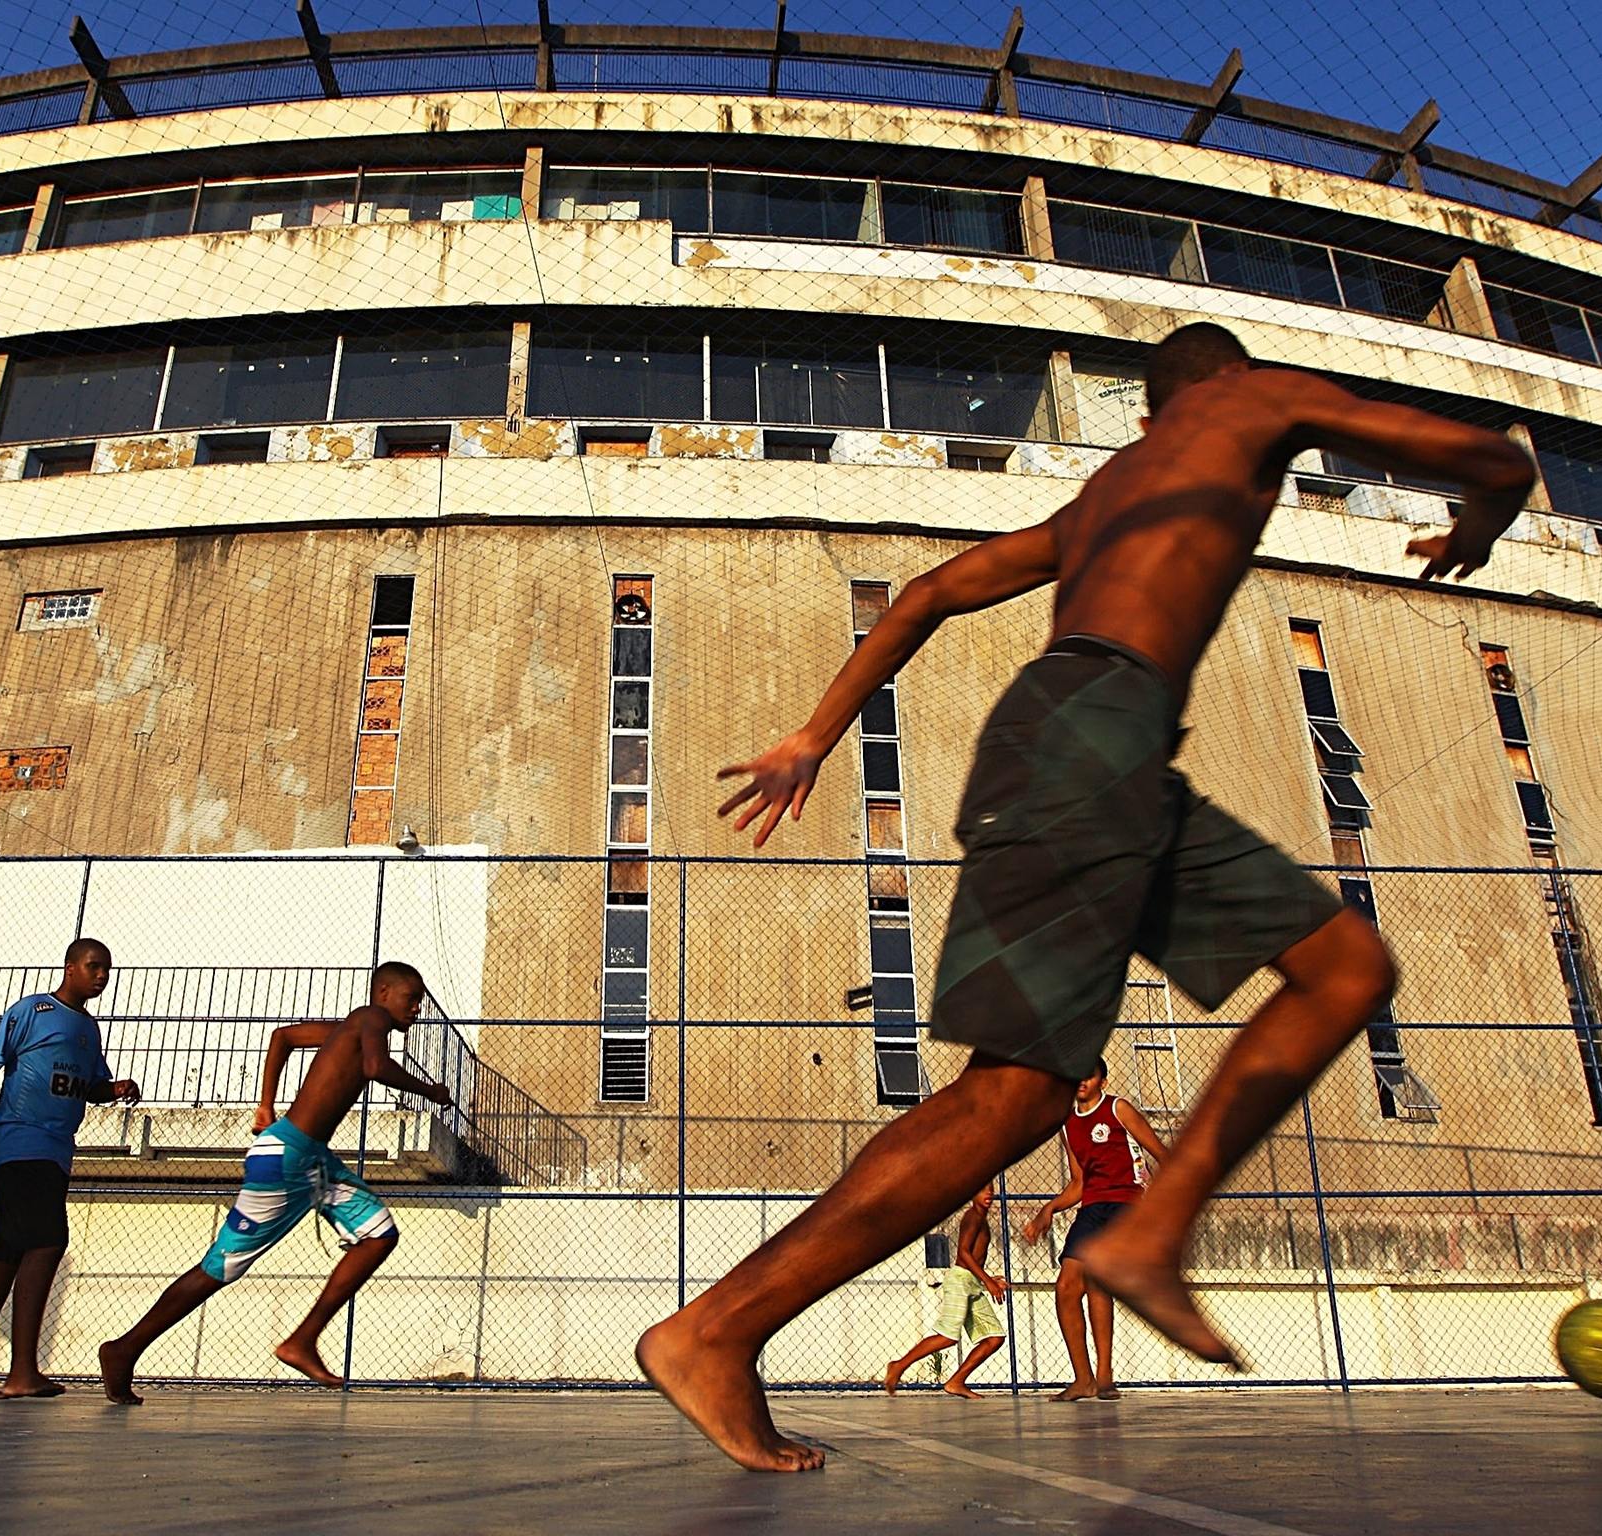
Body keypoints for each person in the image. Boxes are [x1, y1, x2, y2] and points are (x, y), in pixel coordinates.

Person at [643, 321, 1535, 1470]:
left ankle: (1149, 1234)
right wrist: (1480, 522)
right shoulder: (1248, 400)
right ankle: (716, 1329)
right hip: (1092, 738)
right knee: (1014, 1095)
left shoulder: (1109, 494)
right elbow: (1497, 461)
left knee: (1345, 967)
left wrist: (819, 732)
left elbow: (927, 590)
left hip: (1107, 751)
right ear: (1215, 389)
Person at [97, 961, 454, 1404]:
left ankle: (302, 1340)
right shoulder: (372, 1019)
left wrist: (266, 1105)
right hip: (288, 1159)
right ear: (384, 993)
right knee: (219, 1268)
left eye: (420, 1000)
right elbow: (376, 1065)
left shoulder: (351, 1026)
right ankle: (124, 1348)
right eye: (411, 998)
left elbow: (282, 1037)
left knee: (378, 1234)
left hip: (312, 1161)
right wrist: (431, 1091)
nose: (417, 1008)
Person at [0, 937, 138, 1400]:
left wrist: (115, 1089)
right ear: (69, 967)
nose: (101, 975)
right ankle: (22, 1371)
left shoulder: (89, 1030)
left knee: (9, 1249)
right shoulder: (31, 1011)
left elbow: (89, 1086)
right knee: (48, 1240)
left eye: (107, 969)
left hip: (55, 1147)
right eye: (93, 966)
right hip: (19, 1138)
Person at [1020, 1064, 1171, 1401]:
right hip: (1092, 1208)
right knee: (1066, 1287)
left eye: (1088, 1076)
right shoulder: (1066, 1122)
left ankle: (1105, 1375)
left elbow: (1162, 1154)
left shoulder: (1118, 1109)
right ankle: (1083, 1379)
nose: (1080, 1081)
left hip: (1127, 1205)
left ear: (1102, 1081)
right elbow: (1079, 1183)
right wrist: (1049, 1208)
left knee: (1098, 1280)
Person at [882, 1184, 1009, 1399]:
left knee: (994, 1337)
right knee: (947, 1337)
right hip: (960, 1282)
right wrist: (988, 1282)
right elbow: (963, 1253)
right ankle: (898, 1365)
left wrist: (986, 1278)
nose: (987, 1194)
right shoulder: (972, 1217)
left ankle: (956, 1381)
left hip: (971, 1283)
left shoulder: (982, 1218)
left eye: (990, 1190)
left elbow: (974, 1258)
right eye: (981, 1190)